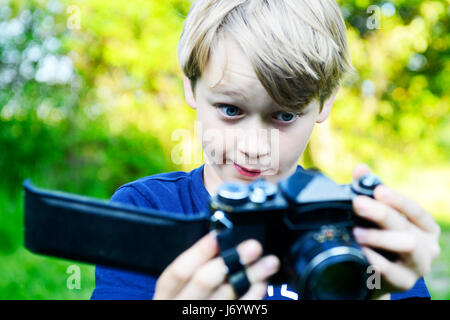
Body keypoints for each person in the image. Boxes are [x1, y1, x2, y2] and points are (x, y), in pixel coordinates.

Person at [91, 0, 440, 300]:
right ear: (191, 85)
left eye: (284, 115)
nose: (256, 148)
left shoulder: (361, 232)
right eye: (231, 109)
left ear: (325, 103)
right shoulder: (147, 211)